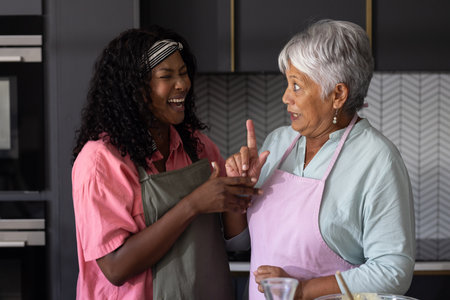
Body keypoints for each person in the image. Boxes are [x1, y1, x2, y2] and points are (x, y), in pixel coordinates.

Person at [225, 19, 416, 300]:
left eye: (297, 86)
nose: (285, 97)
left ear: (338, 94)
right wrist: (236, 195)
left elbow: (394, 269)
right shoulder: (278, 143)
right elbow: (241, 243)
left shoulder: (378, 160)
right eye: (287, 83)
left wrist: (303, 290)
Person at [71, 25, 260, 299]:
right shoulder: (101, 160)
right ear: (135, 89)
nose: (182, 84)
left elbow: (236, 243)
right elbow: (115, 267)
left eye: (183, 73)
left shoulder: (197, 147)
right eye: (166, 75)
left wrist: (239, 191)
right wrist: (193, 204)